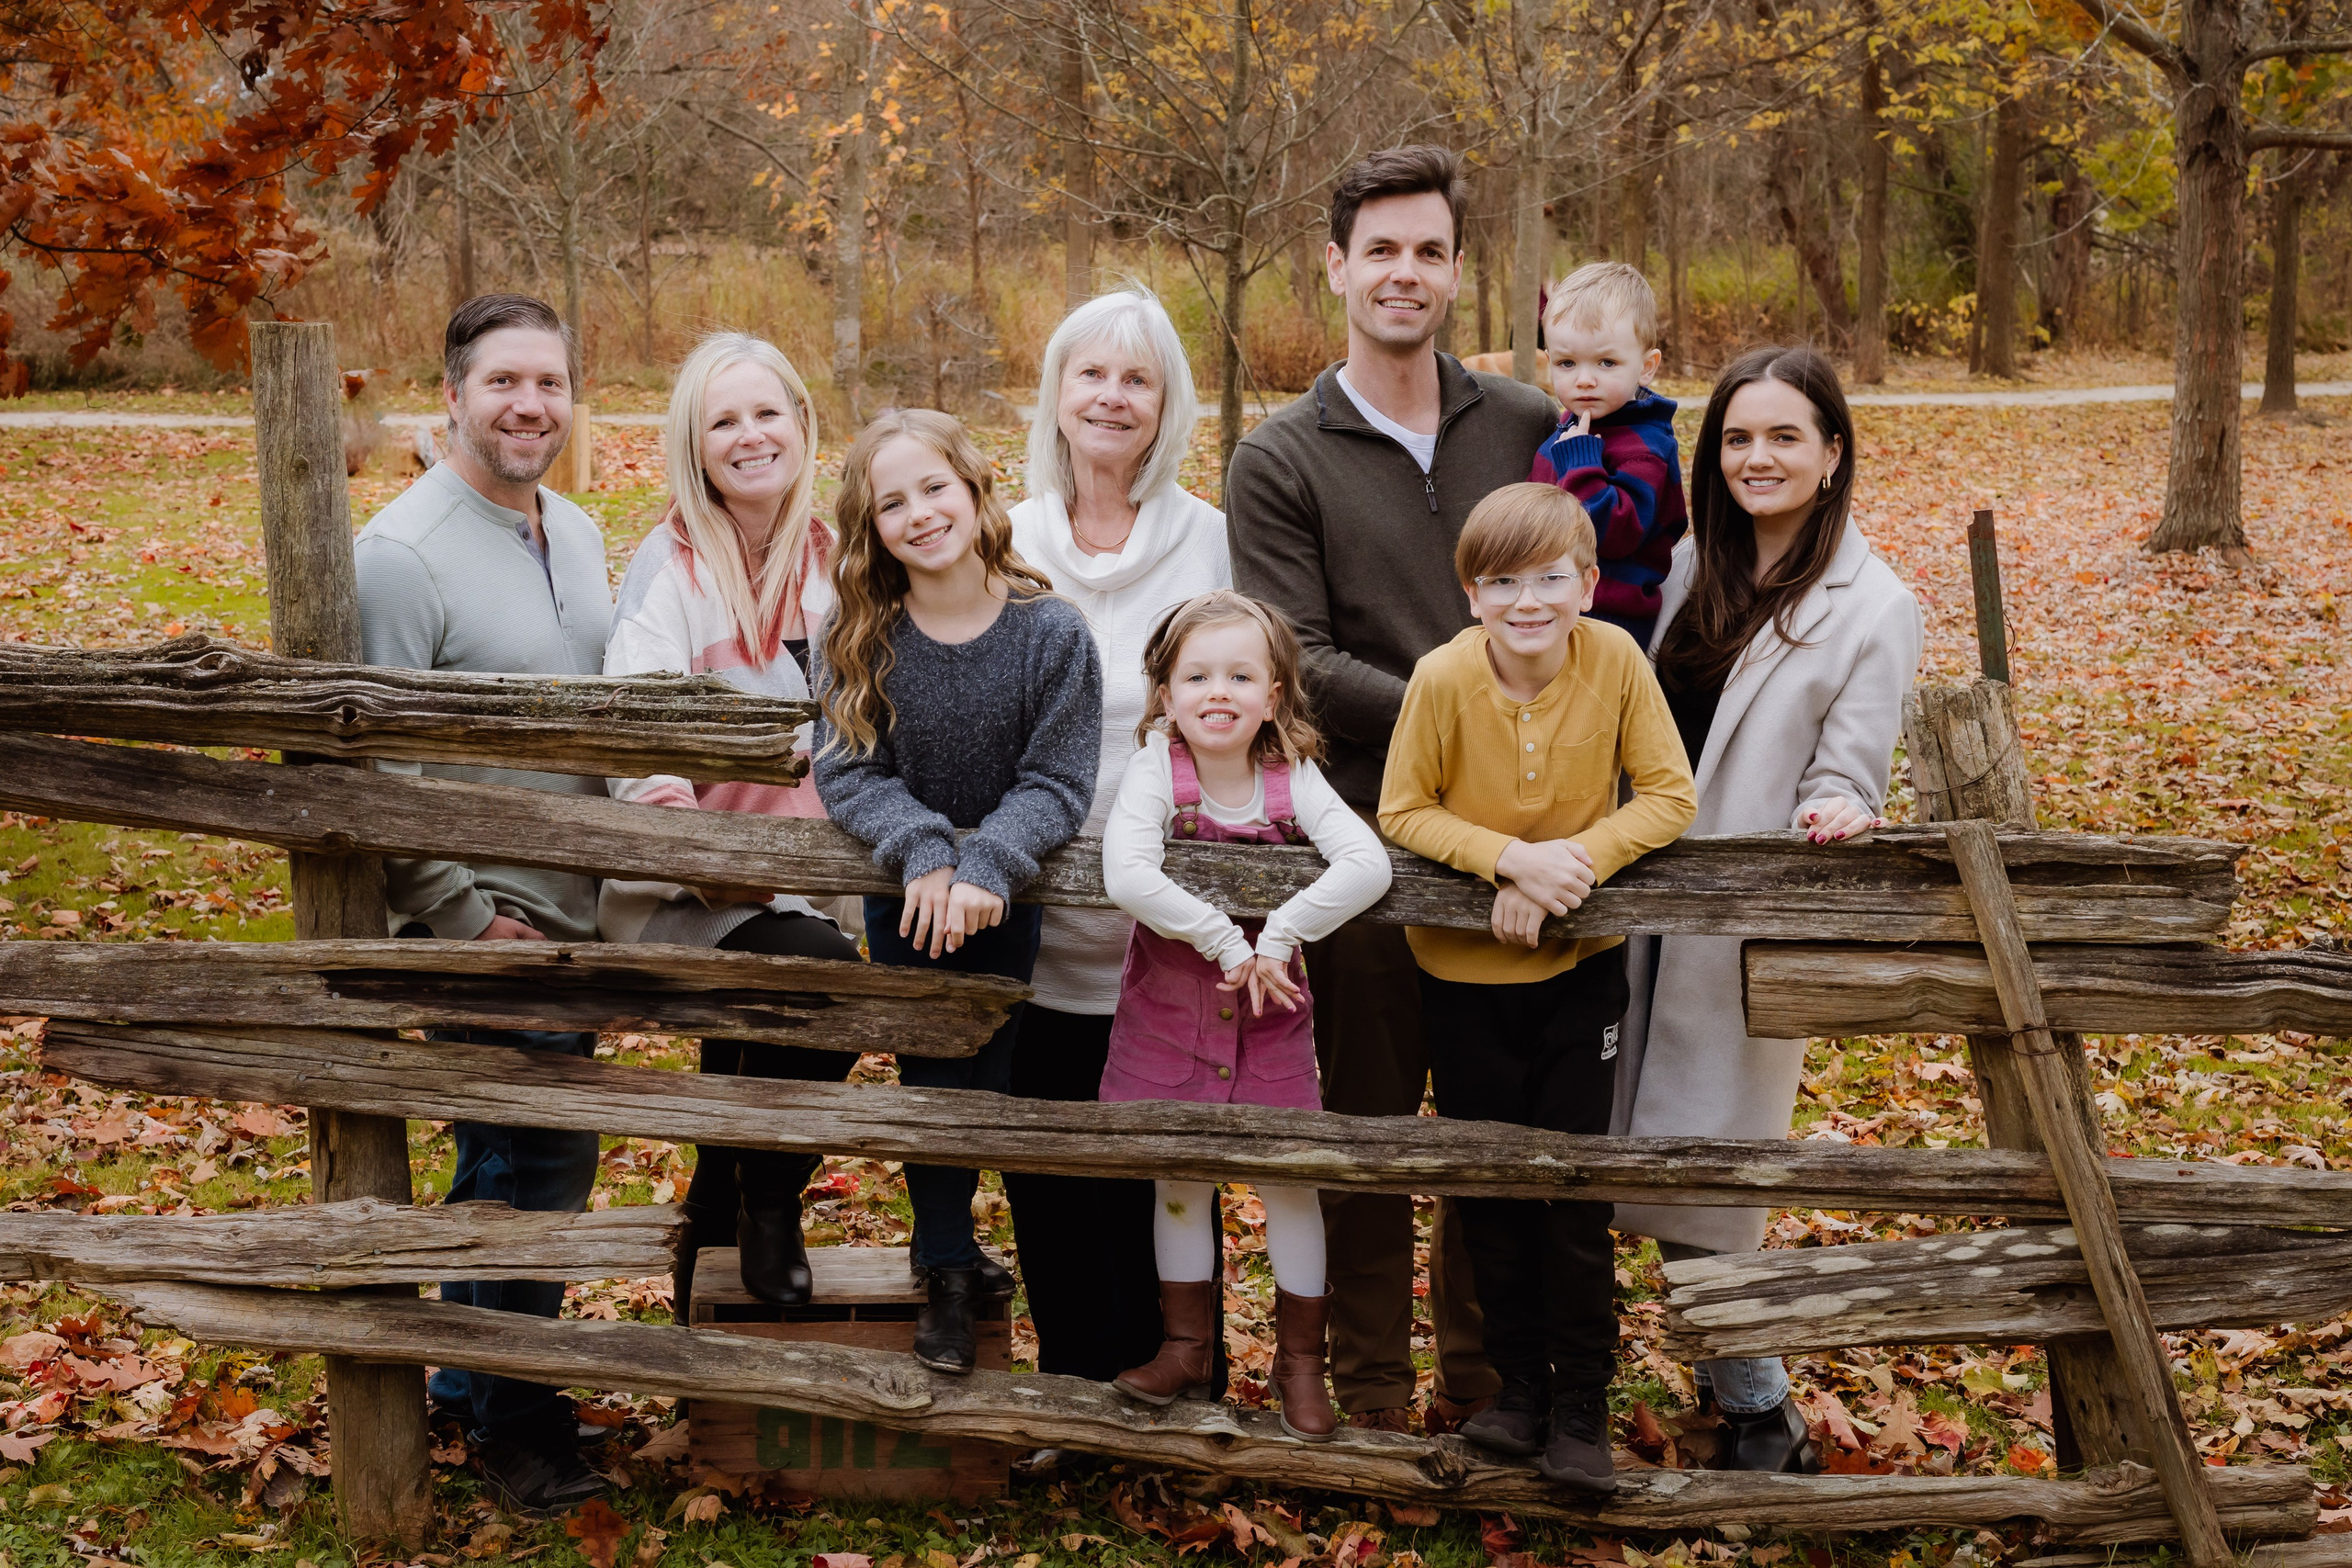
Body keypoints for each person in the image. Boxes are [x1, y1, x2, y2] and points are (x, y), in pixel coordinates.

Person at [1226, 142, 1558, 1435]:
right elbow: (1296, 657)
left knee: (1488, 1131)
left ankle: (1485, 1384)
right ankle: (1367, 1387)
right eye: (1382, 250)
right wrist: (1468, 689)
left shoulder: (1526, 426)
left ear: (1457, 269)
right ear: (1337, 267)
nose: (1404, 273)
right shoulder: (1282, 456)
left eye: (1428, 250)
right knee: (1365, 1132)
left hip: (1517, 843)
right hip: (1357, 848)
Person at [1611, 345, 1924, 1473]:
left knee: (1707, 1174)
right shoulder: (1693, 562)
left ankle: (1755, 1409)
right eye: (1738, 437)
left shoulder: (1874, 607)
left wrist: (1839, 811)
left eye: (1786, 435)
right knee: (1613, 1155)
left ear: (1834, 453)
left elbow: (1848, 770)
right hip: (1622, 892)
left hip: (1726, 927)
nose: (1758, 457)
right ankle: (1664, 1384)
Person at [1378, 483, 1695, 1490]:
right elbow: (1403, 812)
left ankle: (1579, 1408)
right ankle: (1516, 1391)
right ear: (1471, 593)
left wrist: (1575, 864)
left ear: (1588, 583)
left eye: (1551, 577)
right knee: (1493, 1190)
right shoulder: (1439, 679)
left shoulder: (1614, 661)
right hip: (1460, 978)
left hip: (1579, 979)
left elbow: (1670, 795)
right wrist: (1505, 863)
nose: (1528, 600)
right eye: (1503, 581)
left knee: (1570, 1192)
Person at [353, 293, 613, 1513]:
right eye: (504, 381)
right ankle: (501, 1402)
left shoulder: (580, 529)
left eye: (550, 382)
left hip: (575, 914)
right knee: (526, 1155)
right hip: (486, 923)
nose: (530, 404)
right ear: (450, 394)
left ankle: (477, 1377)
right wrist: (461, 914)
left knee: (532, 1157)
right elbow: (375, 764)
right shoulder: (400, 555)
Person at [812, 409, 1102, 1377]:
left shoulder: (1050, 633)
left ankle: (965, 1249)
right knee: (931, 1072)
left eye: (935, 487)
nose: (920, 513)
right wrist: (925, 855)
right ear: (871, 529)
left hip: (1008, 898)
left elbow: (1057, 780)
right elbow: (850, 772)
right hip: (904, 897)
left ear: (978, 493)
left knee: (994, 1067)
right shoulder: (860, 636)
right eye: (891, 503)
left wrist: (984, 868)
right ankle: (941, 1264)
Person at [600, 332, 865, 1314]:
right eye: (723, 421)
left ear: (801, 422)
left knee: (792, 990)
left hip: (811, 885)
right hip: (687, 890)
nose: (750, 436)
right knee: (828, 984)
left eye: (767, 413)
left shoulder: (845, 564)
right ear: (694, 446)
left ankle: (717, 1199)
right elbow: (639, 738)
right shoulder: (668, 572)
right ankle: (766, 1199)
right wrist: (706, 860)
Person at [1004, 288, 1231, 1385]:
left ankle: (1181, 1378)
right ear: (1055, 393)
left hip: (1171, 922)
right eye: (1090, 373)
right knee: (1048, 1166)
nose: (1111, 395)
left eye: (1135, 378)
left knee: (1168, 1169)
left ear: (1165, 404)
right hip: (1034, 916)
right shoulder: (1004, 542)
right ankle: (1077, 1389)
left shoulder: (1212, 544)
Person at [1101, 591, 1391, 1442]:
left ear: (1274, 694)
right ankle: (1187, 1344)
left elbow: (1365, 864)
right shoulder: (1160, 767)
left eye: (1239, 674)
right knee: (1180, 1177)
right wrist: (1232, 944)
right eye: (1196, 675)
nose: (1216, 691)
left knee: (1291, 1180)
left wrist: (1286, 932)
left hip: (1272, 1018)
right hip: (1171, 1014)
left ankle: (1301, 1364)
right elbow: (1129, 874)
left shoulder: (1290, 776)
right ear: (1165, 692)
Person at [1527, 262, 1688, 650]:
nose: (1584, 379)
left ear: (1646, 367)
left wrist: (1582, 464)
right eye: (1567, 363)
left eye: (1607, 363)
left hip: (1611, 620)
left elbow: (1615, 534)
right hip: (1549, 608)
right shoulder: (1571, 426)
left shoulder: (1645, 445)